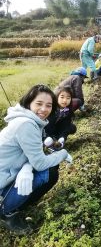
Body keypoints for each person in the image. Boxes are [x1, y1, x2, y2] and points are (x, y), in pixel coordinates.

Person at [0, 84, 72, 234]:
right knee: (50, 171)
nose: (44, 109)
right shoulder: (26, 124)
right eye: (39, 104)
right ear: (29, 103)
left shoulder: (29, 120)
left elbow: (32, 153)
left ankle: (13, 204)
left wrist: (26, 167)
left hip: (6, 175)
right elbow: (40, 163)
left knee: (48, 168)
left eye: (48, 105)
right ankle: (6, 212)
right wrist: (63, 154)